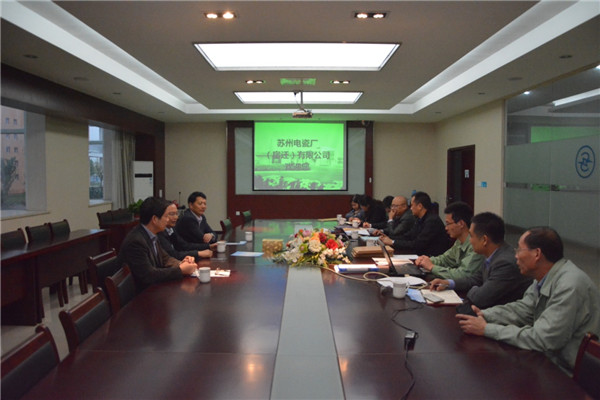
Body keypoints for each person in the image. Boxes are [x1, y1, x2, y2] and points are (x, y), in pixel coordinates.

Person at [456, 227, 600, 375]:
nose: (515, 256)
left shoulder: (569, 285)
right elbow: (523, 310)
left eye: (519, 250)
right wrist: (485, 315)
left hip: (569, 375)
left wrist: (487, 329)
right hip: (549, 361)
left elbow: (543, 339)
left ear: (537, 254)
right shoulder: (543, 277)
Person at [430, 212, 531, 308]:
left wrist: (475, 289)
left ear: (484, 240)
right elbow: (475, 279)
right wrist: (449, 283)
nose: (470, 241)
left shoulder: (505, 263)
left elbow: (480, 298)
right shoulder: (493, 254)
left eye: (471, 236)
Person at [117, 197, 197, 291]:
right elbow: (149, 275)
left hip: (153, 288)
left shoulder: (152, 234)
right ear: (155, 219)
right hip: (141, 294)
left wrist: (181, 263)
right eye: (166, 216)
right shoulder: (136, 241)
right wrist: (181, 270)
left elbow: (165, 258)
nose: (168, 220)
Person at [416, 201, 484, 279]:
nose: (446, 228)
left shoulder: (475, 245)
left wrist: (432, 267)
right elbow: (445, 259)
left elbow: (463, 275)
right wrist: (426, 260)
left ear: (461, 224)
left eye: (448, 224)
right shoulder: (459, 241)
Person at [380, 191, 449, 256]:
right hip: (421, 255)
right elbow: (408, 236)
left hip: (430, 257)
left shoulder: (432, 221)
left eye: (412, 205)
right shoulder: (419, 219)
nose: (410, 208)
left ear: (420, 206)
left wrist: (392, 242)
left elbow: (417, 244)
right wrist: (389, 238)